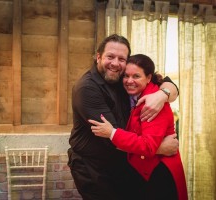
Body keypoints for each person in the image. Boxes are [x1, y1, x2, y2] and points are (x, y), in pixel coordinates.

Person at [68, 34, 179, 200]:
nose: (115, 63)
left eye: (121, 59)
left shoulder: (121, 77)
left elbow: (166, 82)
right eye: (110, 57)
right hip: (93, 168)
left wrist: (162, 94)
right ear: (98, 57)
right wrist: (159, 148)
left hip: (120, 163)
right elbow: (113, 136)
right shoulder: (87, 89)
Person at [89, 54, 188, 200]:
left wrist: (112, 133)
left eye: (136, 76)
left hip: (158, 174)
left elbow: (148, 145)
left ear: (148, 78)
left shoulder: (153, 103)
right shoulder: (125, 90)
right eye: (126, 76)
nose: (129, 81)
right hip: (143, 171)